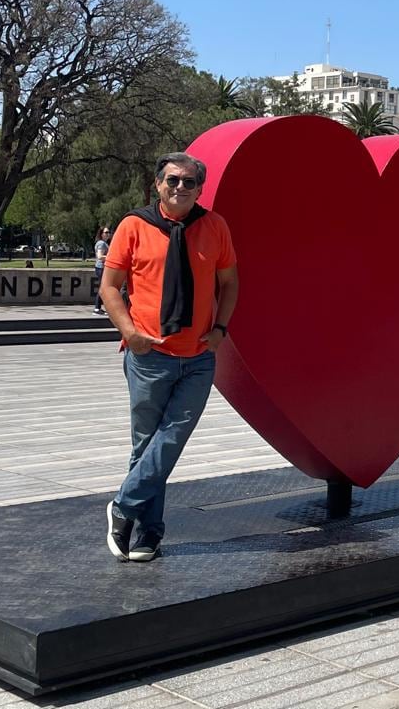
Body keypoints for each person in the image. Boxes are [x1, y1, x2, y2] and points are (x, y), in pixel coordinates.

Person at [99, 152, 238, 563]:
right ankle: (149, 534)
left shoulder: (214, 227)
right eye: (173, 180)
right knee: (147, 446)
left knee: (171, 438)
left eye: (190, 182)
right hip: (149, 356)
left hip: (198, 356)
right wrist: (129, 332)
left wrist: (220, 331)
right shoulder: (134, 226)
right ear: (157, 184)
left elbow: (229, 283)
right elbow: (110, 287)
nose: (181, 188)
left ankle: (123, 507)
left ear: (200, 188)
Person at [92, 226, 111, 314]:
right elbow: (100, 256)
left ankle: (98, 307)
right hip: (101, 267)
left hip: (102, 267)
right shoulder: (101, 243)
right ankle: (96, 308)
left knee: (103, 288)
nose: (108, 234)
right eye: (106, 233)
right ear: (101, 234)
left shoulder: (103, 243)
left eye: (108, 232)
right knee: (103, 288)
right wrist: (111, 257)